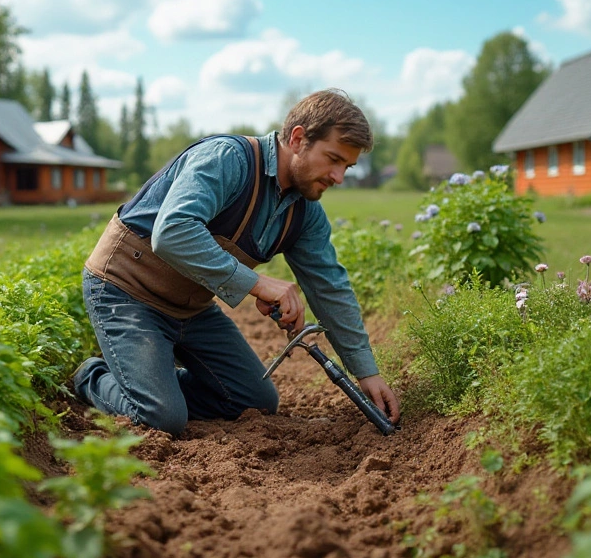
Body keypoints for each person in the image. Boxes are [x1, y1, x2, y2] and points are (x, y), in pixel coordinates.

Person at [73, 89, 401, 434]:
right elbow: (171, 231)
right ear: (299, 138)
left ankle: (155, 384)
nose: (339, 177)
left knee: (253, 401)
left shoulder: (306, 215)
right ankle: (93, 377)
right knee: (161, 418)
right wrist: (259, 284)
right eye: (333, 159)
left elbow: (331, 289)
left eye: (347, 166)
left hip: (189, 309)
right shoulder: (228, 159)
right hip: (125, 291)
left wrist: (367, 372)